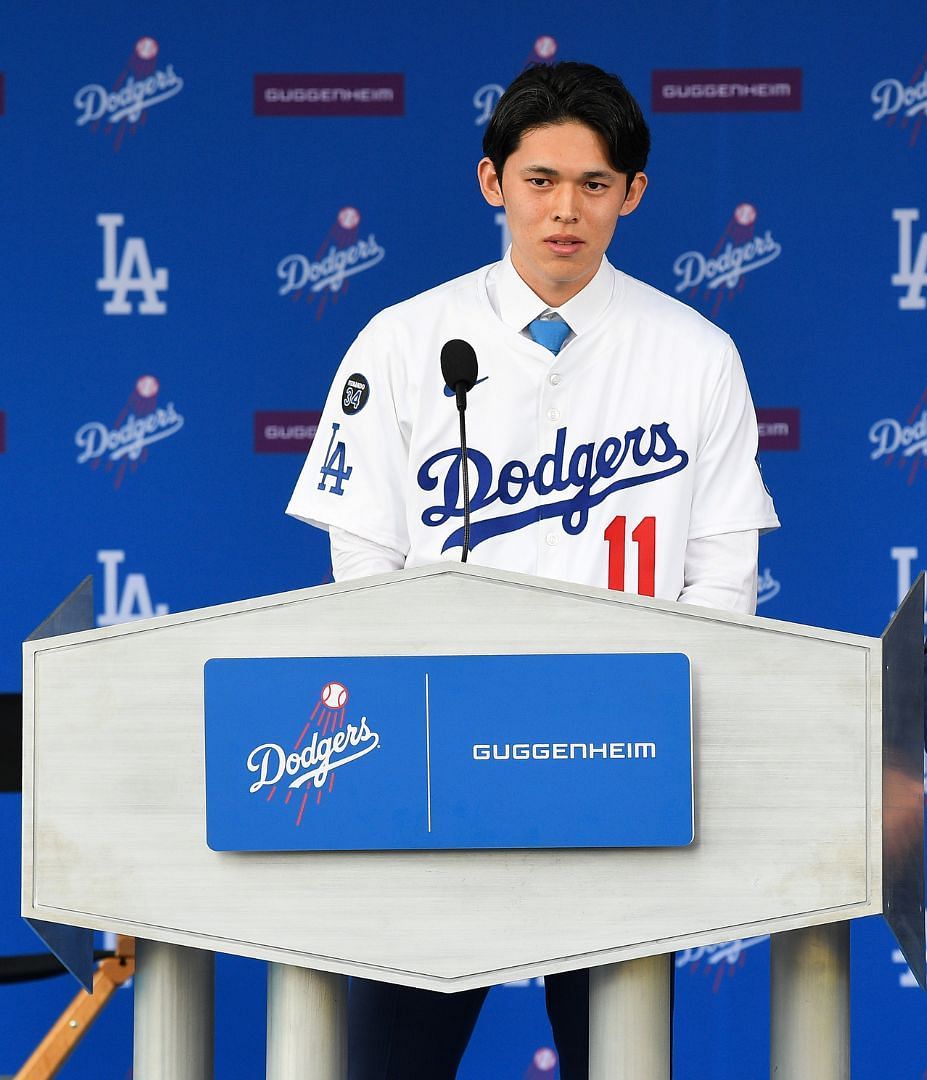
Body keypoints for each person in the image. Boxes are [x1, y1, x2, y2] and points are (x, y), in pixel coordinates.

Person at [284, 60, 779, 1078]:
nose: (565, 210)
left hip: (621, 764)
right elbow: (362, 569)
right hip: (430, 762)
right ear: (491, 182)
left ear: (632, 195)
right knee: (389, 1062)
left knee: (621, 1059)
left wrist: (643, 719)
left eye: (594, 185)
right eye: (540, 180)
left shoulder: (696, 353)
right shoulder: (405, 338)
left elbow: (723, 577)